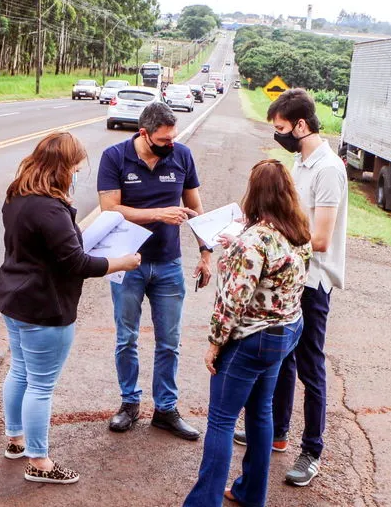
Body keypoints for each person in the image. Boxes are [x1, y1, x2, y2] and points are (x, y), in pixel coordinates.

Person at [0, 132, 141, 485]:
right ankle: (39, 462)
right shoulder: (50, 208)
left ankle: (15, 439)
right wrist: (122, 262)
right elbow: (76, 263)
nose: (75, 173)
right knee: (41, 386)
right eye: (74, 167)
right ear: (61, 167)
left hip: (14, 297)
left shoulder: (17, 195)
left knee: (20, 371)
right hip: (44, 306)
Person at [234, 88, 348, 487]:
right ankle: (278, 432)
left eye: (281, 128)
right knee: (282, 361)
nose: (278, 135)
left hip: (313, 280)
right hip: (290, 277)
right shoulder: (299, 163)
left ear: (301, 125)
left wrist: (270, 239)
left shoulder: (328, 169)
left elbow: (321, 239)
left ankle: (312, 450)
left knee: (310, 367)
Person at [184, 159, 312, 507]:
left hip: (252, 337)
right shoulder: (298, 231)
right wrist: (238, 244)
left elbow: (232, 301)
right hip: (286, 330)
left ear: (254, 193)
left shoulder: (251, 242)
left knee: (221, 420)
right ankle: (252, 494)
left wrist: (214, 344)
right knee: (260, 411)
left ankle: (203, 502)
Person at [97, 101, 213, 440]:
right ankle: (129, 403)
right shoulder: (115, 157)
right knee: (126, 338)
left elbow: (195, 208)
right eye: (163, 139)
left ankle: (165, 409)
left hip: (168, 264)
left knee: (169, 342)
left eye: (173, 137)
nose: (170, 144)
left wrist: (206, 253)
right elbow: (110, 209)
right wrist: (159, 214)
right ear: (144, 134)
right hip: (126, 262)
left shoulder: (182, 156)